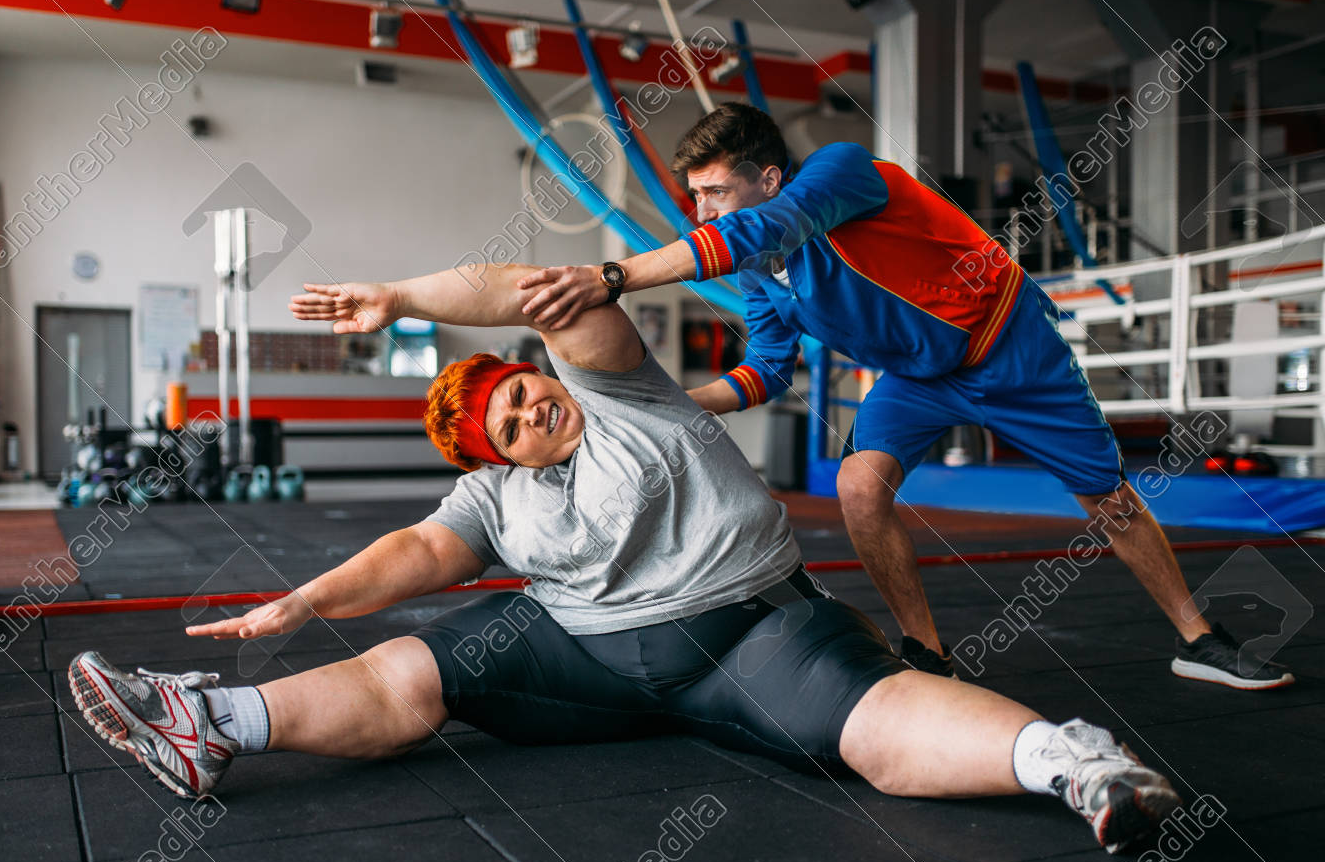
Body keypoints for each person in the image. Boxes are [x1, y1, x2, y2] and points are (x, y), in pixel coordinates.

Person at [68, 261, 1181, 855]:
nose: (527, 413)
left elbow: (530, 292)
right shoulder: (494, 499)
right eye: (502, 425)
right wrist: (302, 600)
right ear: (485, 455)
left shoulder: (616, 386)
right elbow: (417, 548)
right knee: (415, 670)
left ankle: (1076, 765)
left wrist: (400, 298)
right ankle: (209, 725)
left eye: (522, 390)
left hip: (753, 630)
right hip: (589, 654)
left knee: (876, 730)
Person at [511, 102, 1292, 692]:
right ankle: (927, 650)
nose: (705, 209)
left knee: (1107, 500)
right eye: (698, 196)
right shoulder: (759, 274)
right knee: (858, 485)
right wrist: (673, 405)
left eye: (716, 191)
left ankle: (1197, 638)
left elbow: (759, 230)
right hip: (917, 380)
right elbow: (767, 371)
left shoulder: (843, 173)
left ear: (770, 177)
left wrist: (610, 275)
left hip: (1007, 343)